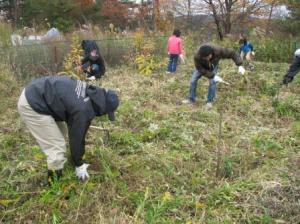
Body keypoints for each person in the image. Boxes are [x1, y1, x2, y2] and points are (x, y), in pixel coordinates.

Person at [18, 76, 119, 185]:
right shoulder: (83, 110)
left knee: (62, 132)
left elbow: (73, 115)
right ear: (104, 107)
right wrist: (79, 164)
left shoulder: (90, 91)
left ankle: (61, 163)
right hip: (32, 104)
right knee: (56, 145)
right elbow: (77, 137)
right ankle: (53, 183)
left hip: (39, 91)